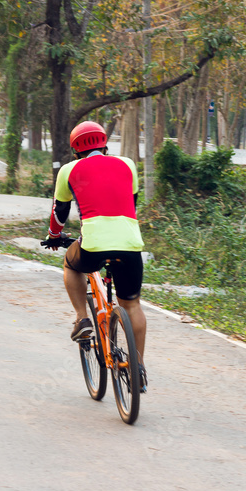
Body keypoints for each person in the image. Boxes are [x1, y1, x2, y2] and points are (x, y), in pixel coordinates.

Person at [46, 120, 147, 390]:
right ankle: (137, 368)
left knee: (71, 263)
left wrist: (54, 237)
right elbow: (132, 203)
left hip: (93, 244)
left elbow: (60, 212)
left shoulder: (69, 170)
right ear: (104, 142)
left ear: (76, 148)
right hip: (130, 243)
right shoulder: (128, 164)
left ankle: (82, 319)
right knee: (132, 304)